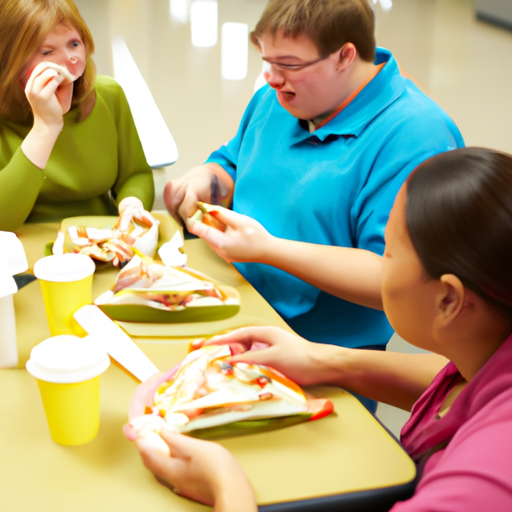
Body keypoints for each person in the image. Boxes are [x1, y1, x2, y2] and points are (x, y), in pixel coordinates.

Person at [127, 147, 512, 511]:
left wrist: (228, 486)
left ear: (449, 300)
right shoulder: (485, 349)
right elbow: (459, 382)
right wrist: (324, 360)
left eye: (388, 253)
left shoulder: (485, 477)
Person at [164, 0, 464, 353]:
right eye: (267, 62)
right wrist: (208, 179)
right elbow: (235, 161)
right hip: (234, 304)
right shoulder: (277, 99)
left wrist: (269, 250)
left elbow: (398, 280)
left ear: (345, 56)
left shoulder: (415, 136)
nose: (272, 79)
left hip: (325, 350)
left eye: (289, 65)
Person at [0, 0, 155, 232]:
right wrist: (45, 127)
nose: (69, 58)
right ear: (12, 61)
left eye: (74, 44)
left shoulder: (108, 95)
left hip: (102, 244)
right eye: (47, 51)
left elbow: (136, 175)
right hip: (25, 254)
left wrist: (132, 203)